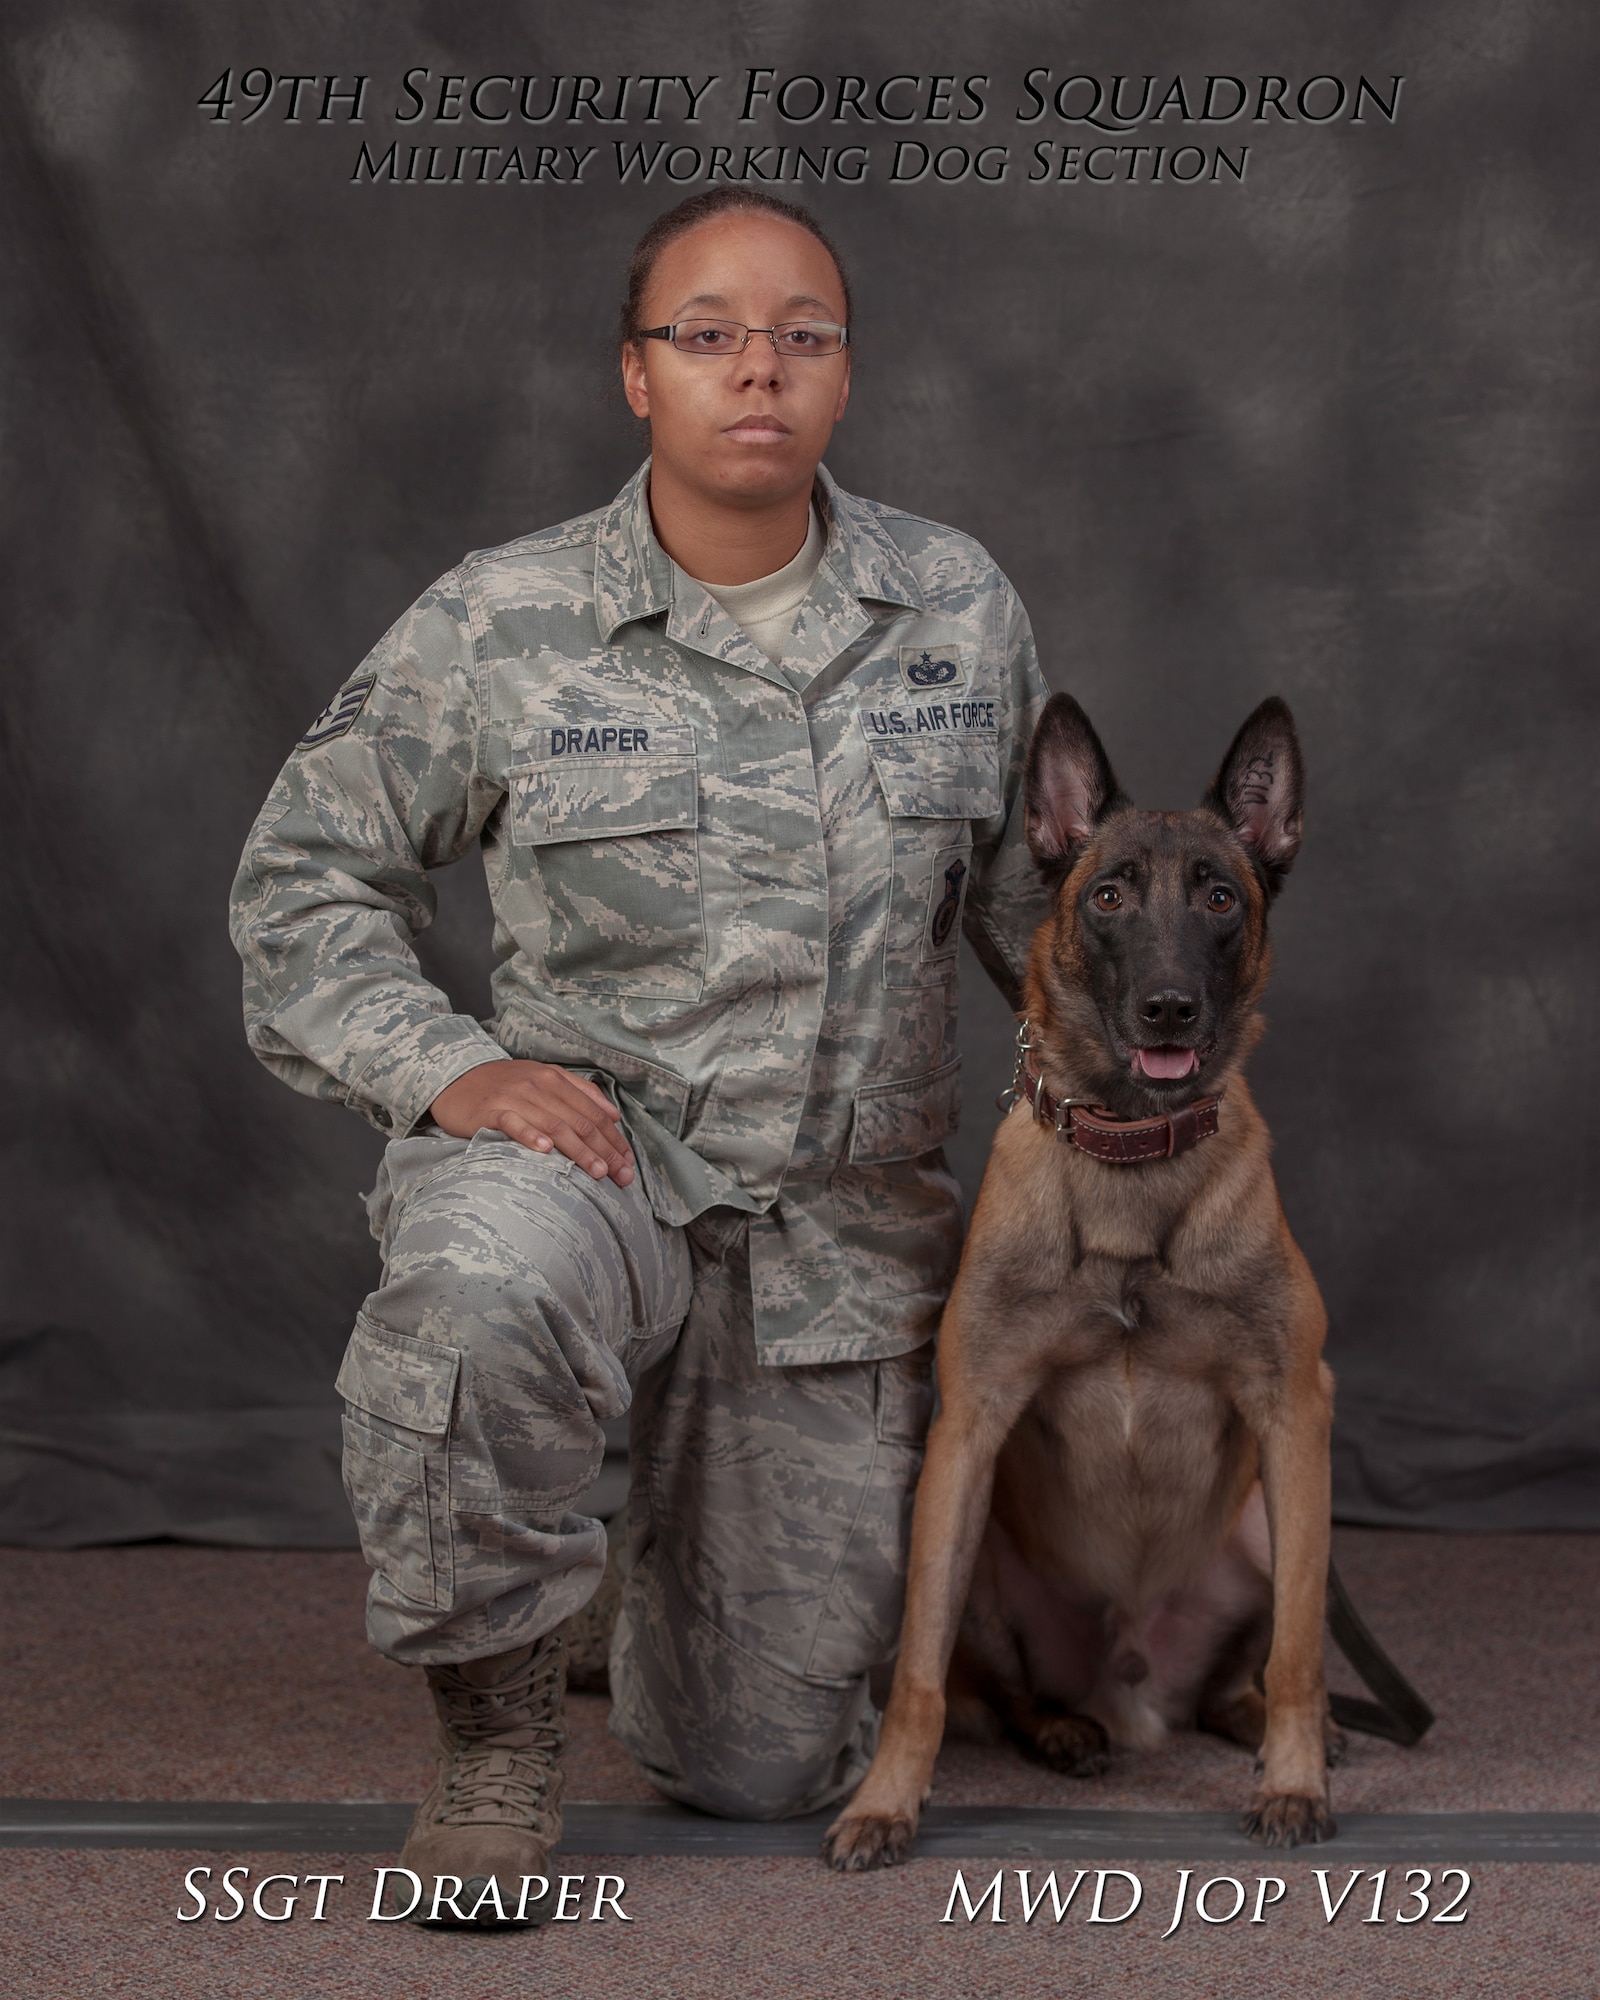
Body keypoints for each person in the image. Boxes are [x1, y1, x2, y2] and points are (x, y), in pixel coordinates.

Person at [229, 187, 1050, 1925]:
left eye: (803, 334)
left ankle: (627, 1597)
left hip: (834, 1240)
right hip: (593, 1169)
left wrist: (1139, 1099)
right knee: (473, 1295)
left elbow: (1041, 913)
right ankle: (495, 1737)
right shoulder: (503, 620)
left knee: (758, 1770)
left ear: (845, 371)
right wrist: (449, 1072)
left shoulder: (956, 608)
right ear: (636, 375)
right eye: (710, 333)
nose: (760, 366)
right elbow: (301, 882)